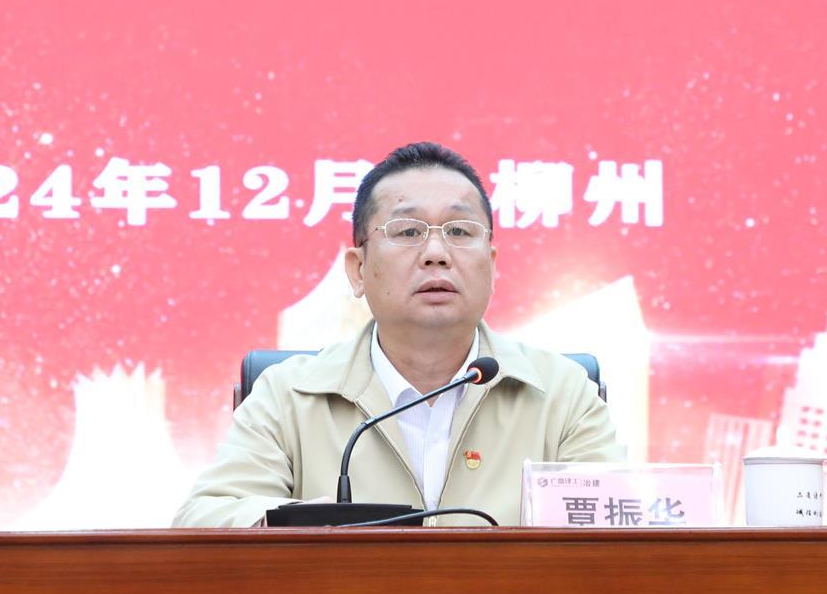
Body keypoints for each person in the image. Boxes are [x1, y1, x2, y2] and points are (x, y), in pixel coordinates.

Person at [173, 142, 623, 527]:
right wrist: (303, 527)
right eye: (407, 231)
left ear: (492, 266)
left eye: (459, 231)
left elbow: (624, 528)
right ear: (358, 270)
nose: (436, 253)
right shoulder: (289, 395)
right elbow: (203, 518)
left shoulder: (562, 395)